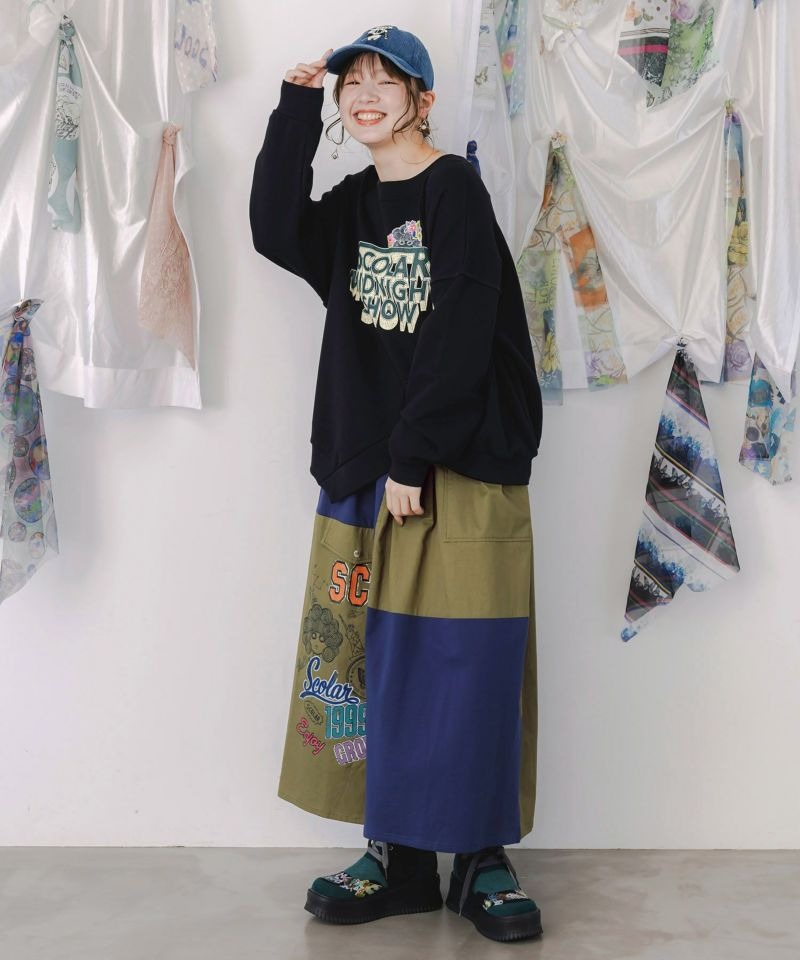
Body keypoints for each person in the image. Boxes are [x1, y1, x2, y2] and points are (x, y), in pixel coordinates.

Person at [250, 24, 544, 944]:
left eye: (387, 80)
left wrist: (412, 456)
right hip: (364, 469)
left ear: (423, 100)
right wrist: (295, 110)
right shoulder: (352, 207)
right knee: (369, 667)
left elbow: (463, 321)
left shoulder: (454, 188)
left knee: (469, 666)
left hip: (455, 468)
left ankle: (481, 858)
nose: (366, 94)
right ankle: (400, 858)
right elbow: (273, 230)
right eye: (353, 83)